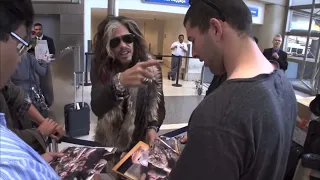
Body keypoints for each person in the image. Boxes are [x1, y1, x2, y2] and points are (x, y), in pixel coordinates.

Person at [169, 0, 297, 180]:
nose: (195, 53)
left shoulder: (219, 112)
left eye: (193, 40)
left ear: (215, 28)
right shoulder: (285, 87)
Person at [0, 0, 64, 179]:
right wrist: (38, 134)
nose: (19, 59)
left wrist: (37, 161)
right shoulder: (11, 165)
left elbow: (15, 97)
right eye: (20, 45)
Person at [91, 16, 165, 154]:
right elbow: (97, 106)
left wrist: (152, 128)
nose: (123, 45)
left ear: (134, 40)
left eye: (127, 39)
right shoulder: (101, 67)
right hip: (110, 145)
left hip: (140, 143)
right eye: (115, 42)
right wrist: (119, 83)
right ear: (108, 47)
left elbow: (158, 104)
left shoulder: (149, 65)